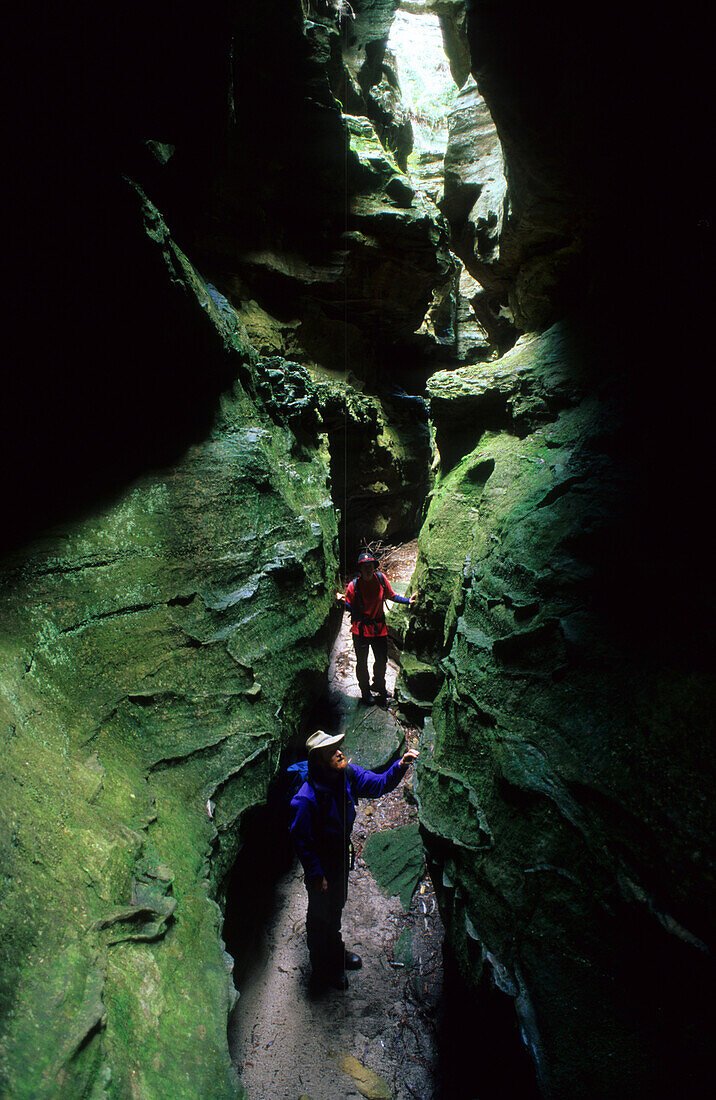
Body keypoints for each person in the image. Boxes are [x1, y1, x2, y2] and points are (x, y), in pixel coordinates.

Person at [290, 729, 419, 992]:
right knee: (319, 914)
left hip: (338, 857)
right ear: (320, 762)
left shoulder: (346, 774)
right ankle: (321, 968)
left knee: (336, 906)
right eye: (332, 752)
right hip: (322, 862)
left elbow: (378, 784)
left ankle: (335, 955)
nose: (339, 752)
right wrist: (316, 875)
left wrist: (400, 765)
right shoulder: (305, 798)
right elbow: (301, 841)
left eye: (337, 748)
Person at [336, 551, 417, 705]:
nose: (368, 569)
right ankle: (365, 692)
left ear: (374, 566)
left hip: (379, 628)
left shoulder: (381, 580)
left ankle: (379, 684)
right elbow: (350, 607)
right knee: (362, 662)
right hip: (360, 630)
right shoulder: (354, 586)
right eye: (365, 566)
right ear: (360, 569)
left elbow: (391, 596)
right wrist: (342, 602)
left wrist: (408, 601)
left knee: (381, 660)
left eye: (370, 566)